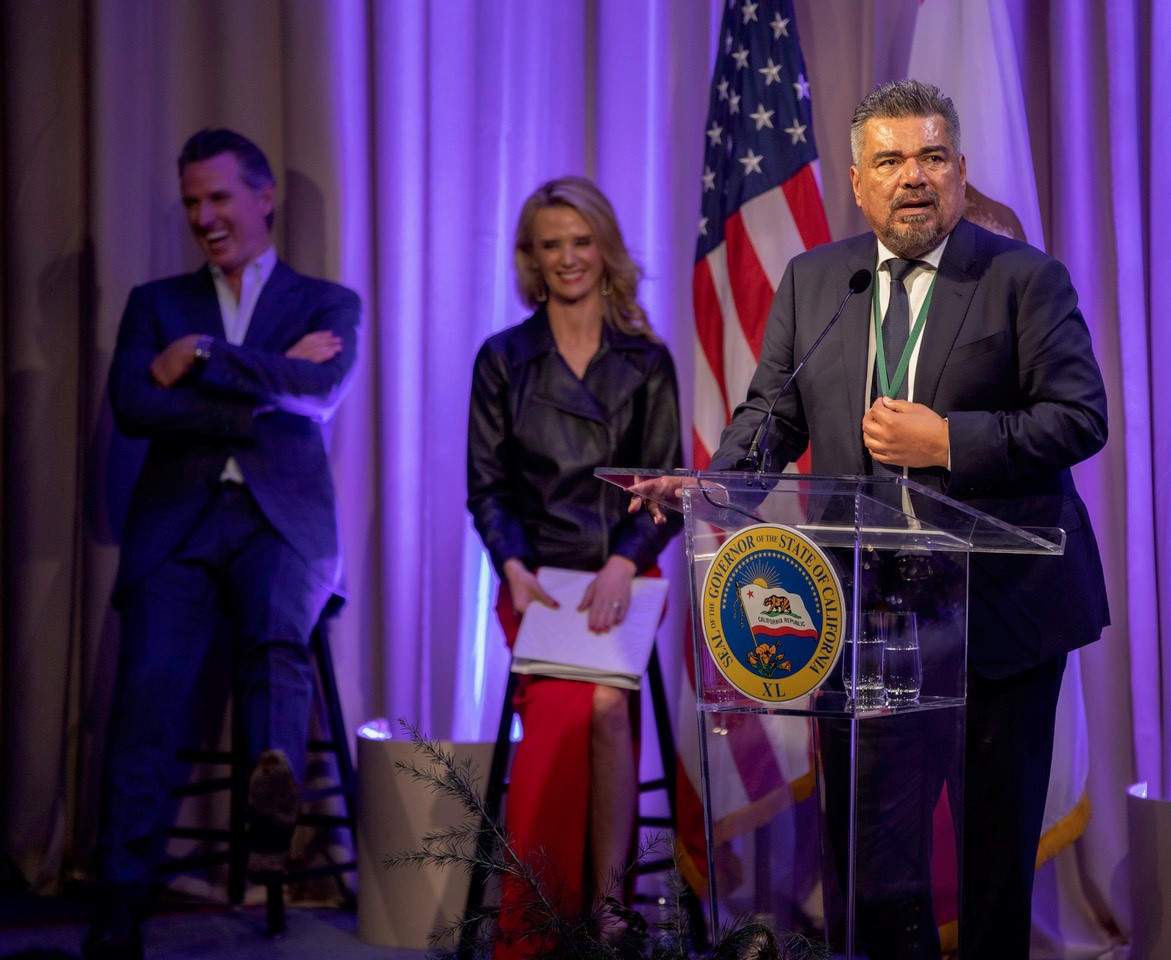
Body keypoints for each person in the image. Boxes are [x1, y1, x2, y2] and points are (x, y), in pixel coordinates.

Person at [633, 79, 1108, 960]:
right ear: (857, 181)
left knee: (992, 862)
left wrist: (946, 442)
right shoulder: (819, 280)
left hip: (999, 620)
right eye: (889, 160)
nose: (912, 177)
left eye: (931, 157)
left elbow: (1079, 419)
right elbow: (769, 416)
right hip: (869, 622)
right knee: (875, 867)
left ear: (959, 172)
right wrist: (710, 488)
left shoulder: (1022, 278)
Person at [85, 129, 360, 960]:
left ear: (263, 196)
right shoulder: (154, 301)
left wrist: (205, 355)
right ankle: (117, 912)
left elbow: (318, 391)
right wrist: (265, 384)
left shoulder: (326, 301)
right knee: (146, 704)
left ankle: (269, 819)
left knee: (277, 645)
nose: (204, 216)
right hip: (179, 521)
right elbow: (136, 405)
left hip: (284, 523)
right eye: (192, 201)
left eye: (219, 198)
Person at [466, 176, 683, 955]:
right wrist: (513, 567)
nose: (567, 258)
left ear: (605, 248)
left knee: (602, 707)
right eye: (550, 245)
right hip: (538, 581)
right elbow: (485, 488)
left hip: (628, 575)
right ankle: (539, 924)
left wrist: (627, 563)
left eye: (580, 241)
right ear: (531, 257)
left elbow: (667, 484)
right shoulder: (502, 360)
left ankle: (606, 910)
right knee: (576, 714)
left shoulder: (647, 360)